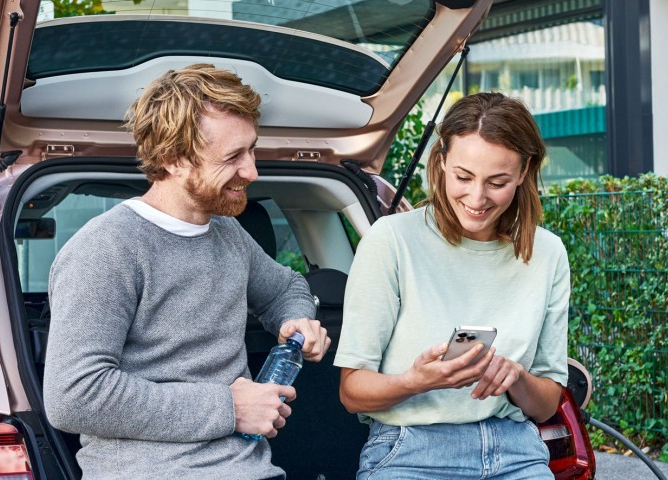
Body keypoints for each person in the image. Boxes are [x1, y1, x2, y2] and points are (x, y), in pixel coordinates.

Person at [43, 64, 330, 480]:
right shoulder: (105, 249)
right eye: (233, 157)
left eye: (251, 150)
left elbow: (286, 286)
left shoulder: (227, 232)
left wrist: (293, 319)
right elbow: (74, 396)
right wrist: (228, 409)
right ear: (172, 160)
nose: (252, 172)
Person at [334, 92, 569, 479]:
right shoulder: (391, 240)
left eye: (497, 182)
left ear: (524, 172)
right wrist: (415, 381)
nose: (476, 198)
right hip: (409, 451)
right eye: (463, 177)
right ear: (441, 161)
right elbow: (351, 391)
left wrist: (516, 378)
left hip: (516, 453)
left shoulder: (548, 254)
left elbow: (545, 406)